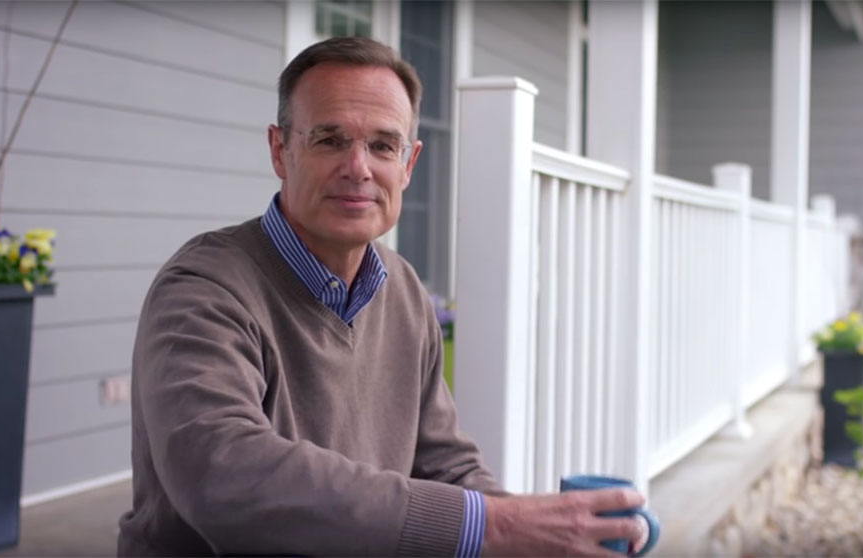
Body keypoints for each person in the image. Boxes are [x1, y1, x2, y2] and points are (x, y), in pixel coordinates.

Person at [118, 36, 648, 557]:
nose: (359, 167)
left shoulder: (404, 290)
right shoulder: (204, 289)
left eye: (382, 145)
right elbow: (223, 476)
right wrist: (496, 527)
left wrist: (556, 533)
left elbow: (446, 466)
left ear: (409, 163)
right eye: (329, 139)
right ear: (281, 151)